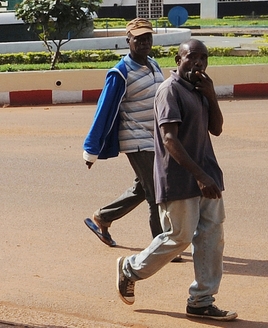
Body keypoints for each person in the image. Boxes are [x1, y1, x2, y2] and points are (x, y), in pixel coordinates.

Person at [116, 39, 237, 322]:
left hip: (208, 175)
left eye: (203, 58)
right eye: (192, 57)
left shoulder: (199, 89)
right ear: (178, 59)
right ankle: (130, 269)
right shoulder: (169, 90)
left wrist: (211, 95)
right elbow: (170, 139)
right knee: (179, 237)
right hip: (180, 178)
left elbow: (216, 129)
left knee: (211, 237)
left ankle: (201, 300)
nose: (198, 63)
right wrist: (199, 175)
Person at [82, 18, 163, 247]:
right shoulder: (120, 72)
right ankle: (161, 246)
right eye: (138, 38)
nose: (144, 42)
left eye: (148, 37)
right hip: (136, 139)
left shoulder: (154, 65)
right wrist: (91, 149)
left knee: (143, 187)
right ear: (128, 40)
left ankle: (104, 217)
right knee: (156, 192)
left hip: (156, 137)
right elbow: (104, 110)